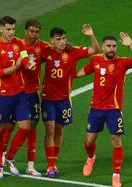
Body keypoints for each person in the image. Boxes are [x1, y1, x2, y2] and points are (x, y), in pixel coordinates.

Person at [76, 33, 132, 187]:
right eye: (108, 46)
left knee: (117, 142)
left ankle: (116, 175)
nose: (111, 49)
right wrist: (66, 75)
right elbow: (82, 72)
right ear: (103, 47)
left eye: (114, 46)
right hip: (96, 109)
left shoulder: (122, 62)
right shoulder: (95, 60)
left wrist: (130, 45)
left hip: (114, 110)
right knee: (89, 141)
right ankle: (91, 158)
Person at [41, 25, 100, 177]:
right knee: (50, 129)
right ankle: (50, 165)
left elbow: (95, 50)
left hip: (65, 99)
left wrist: (91, 35)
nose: (62, 42)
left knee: (59, 130)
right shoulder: (46, 51)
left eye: (64, 38)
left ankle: (54, 161)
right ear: (52, 41)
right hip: (48, 99)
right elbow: (29, 52)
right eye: (58, 39)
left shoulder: (72, 52)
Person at [0, 16, 36, 179]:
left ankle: (9, 157)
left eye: (13, 29)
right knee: (0, 129)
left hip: (19, 93)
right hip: (2, 95)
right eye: (8, 29)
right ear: (1, 29)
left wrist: (28, 63)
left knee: (25, 127)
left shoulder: (19, 43)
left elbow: (23, 56)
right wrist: (15, 67)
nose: (11, 32)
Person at [1, 19, 50, 177]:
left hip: (32, 94)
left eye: (37, 32)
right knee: (10, 125)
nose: (34, 34)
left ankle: (30, 165)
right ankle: (4, 157)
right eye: (32, 31)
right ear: (25, 31)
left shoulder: (42, 46)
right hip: (16, 92)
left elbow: (55, 51)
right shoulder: (18, 46)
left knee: (32, 128)